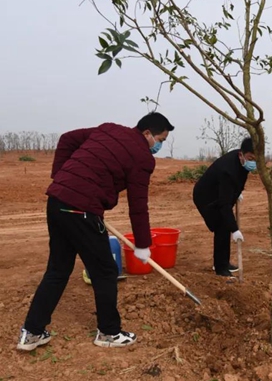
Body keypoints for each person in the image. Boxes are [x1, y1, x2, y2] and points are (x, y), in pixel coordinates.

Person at [17, 112, 175, 351]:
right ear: (147, 134)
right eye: (160, 139)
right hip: (81, 211)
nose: (160, 145)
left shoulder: (108, 128)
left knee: (58, 270)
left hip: (57, 202)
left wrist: (61, 177)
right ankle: (109, 332)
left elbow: (67, 139)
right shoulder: (143, 158)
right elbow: (138, 204)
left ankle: (32, 332)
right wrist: (143, 245)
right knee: (105, 271)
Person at [193, 138, 254, 277]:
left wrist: (236, 193)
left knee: (224, 225)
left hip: (219, 191)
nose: (253, 162)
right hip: (206, 196)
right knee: (222, 226)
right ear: (241, 154)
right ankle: (220, 267)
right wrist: (235, 229)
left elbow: (238, 179)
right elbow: (224, 205)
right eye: (250, 158)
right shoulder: (228, 170)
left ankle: (223, 262)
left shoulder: (240, 161)